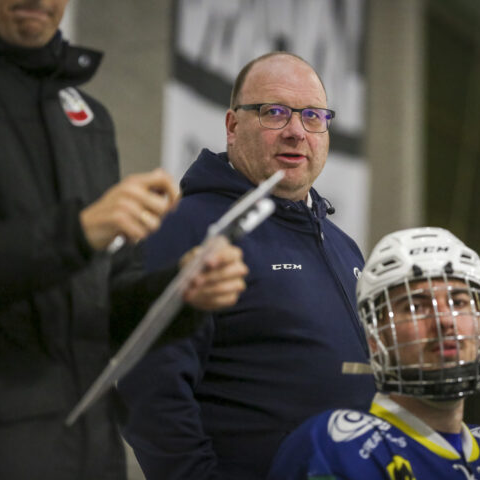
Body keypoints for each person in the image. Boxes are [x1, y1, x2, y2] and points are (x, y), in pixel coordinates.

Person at [0, 0, 249, 479]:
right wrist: (77, 232)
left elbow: (104, 310)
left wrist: (181, 294)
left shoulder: (88, 118)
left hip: (89, 454)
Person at [118, 51, 376, 479]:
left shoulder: (344, 247)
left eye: (313, 116)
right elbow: (148, 388)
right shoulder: (190, 228)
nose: (296, 131)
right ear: (233, 126)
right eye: (275, 112)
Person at [267, 227, 480, 479]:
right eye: (415, 306)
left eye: (459, 301)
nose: (445, 321)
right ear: (374, 336)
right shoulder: (339, 445)